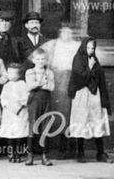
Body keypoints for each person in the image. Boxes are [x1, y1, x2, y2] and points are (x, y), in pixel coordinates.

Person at [68, 37, 111, 163]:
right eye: (88, 47)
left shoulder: (94, 60)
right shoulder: (77, 59)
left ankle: (100, 152)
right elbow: (78, 79)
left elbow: (100, 77)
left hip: (94, 95)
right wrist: (90, 68)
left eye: (93, 48)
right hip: (81, 93)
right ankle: (80, 153)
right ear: (83, 47)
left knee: (97, 120)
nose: (90, 50)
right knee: (81, 121)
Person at [45, 25, 81, 158]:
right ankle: (60, 147)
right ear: (59, 33)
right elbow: (37, 58)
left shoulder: (77, 46)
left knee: (73, 113)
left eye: (69, 32)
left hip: (73, 80)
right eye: (63, 32)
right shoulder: (52, 45)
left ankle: (73, 148)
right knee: (59, 114)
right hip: (57, 82)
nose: (66, 34)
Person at [25, 47, 56, 165]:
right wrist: (41, 83)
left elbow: (52, 87)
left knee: (45, 126)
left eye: (43, 59)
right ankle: (30, 156)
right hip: (34, 100)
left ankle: (44, 156)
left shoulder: (49, 72)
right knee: (32, 127)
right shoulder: (30, 72)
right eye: (38, 59)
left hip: (46, 100)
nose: (41, 61)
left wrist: (39, 84)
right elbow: (30, 86)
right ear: (33, 60)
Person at [0, 63, 29, 162]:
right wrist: (7, 106)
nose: (10, 75)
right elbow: (3, 98)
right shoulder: (7, 85)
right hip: (9, 113)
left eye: (13, 73)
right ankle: (11, 153)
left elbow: (25, 98)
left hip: (20, 112)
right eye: (9, 73)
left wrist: (19, 107)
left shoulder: (23, 84)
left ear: (19, 75)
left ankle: (18, 154)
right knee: (10, 134)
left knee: (19, 134)